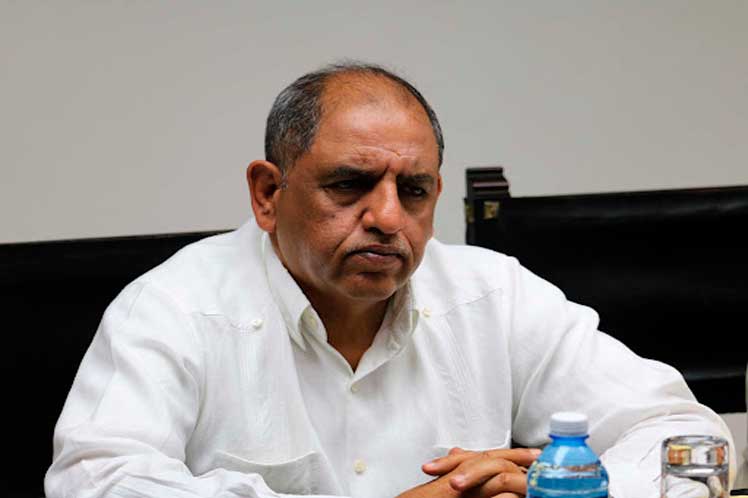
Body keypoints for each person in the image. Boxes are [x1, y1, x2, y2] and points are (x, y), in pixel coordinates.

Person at [45, 62, 735, 498]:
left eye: (414, 190)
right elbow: (96, 482)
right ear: (268, 194)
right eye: (350, 185)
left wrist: (569, 490)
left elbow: (689, 439)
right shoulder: (174, 308)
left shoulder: (495, 296)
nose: (387, 218)